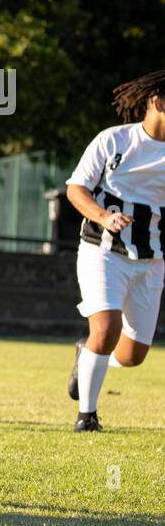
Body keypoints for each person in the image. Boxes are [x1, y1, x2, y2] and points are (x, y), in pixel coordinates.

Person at [64, 69, 165, 431]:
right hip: (101, 249)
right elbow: (77, 189)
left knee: (133, 355)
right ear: (157, 102)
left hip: (151, 260)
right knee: (106, 329)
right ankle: (87, 416)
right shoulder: (114, 141)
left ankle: (88, 352)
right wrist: (104, 217)